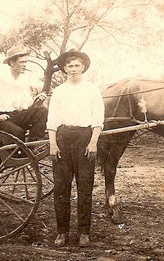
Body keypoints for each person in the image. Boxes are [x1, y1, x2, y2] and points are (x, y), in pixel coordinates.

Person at [47, 49, 105, 248]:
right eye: (70, 66)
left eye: (77, 66)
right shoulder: (59, 91)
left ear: (83, 68)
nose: (73, 69)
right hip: (63, 138)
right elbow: (52, 120)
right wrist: (53, 144)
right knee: (61, 188)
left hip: (84, 138)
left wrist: (93, 142)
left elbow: (98, 119)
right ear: (64, 69)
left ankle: (84, 233)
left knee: (85, 188)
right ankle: (62, 232)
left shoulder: (92, 90)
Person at [0, 45, 48, 141]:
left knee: (42, 111)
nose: (25, 65)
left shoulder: (23, 80)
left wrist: (37, 99)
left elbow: (26, 105)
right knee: (18, 132)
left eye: (25, 62)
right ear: (12, 62)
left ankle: (32, 145)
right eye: (22, 62)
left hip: (16, 116)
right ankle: (21, 155)